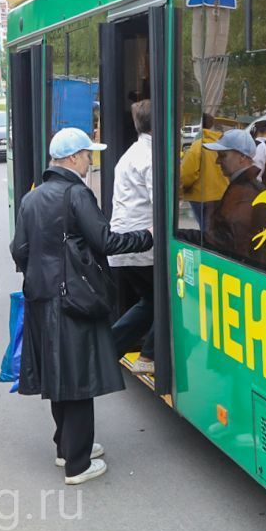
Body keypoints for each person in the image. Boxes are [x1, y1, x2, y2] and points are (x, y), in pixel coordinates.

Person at [10, 128, 153, 485]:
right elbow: (105, 240)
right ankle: (78, 464)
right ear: (73, 158)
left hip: (41, 298)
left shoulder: (32, 197)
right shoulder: (76, 193)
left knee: (59, 377)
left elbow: (19, 251)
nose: (91, 161)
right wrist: (149, 235)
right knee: (78, 380)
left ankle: (65, 447)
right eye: (89, 155)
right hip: (74, 300)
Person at [109, 101, 156, 375]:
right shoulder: (149, 158)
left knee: (150, 301)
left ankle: (107, 351)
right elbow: (159, 201)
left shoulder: (134, 152)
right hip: (142, 244)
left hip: (126, 242)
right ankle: (147, 357)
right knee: (167, 298)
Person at [203, 129, 266, 267]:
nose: (217, 161)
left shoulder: (245, 191)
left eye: (223, 155)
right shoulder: (243, 187)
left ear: (242, 157)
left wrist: (189, 237)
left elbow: (231, 240)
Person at [179, 113, 228, 230]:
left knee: (206, 234)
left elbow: (186, 174)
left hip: (202, 197)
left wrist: (180, 190)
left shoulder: (198, 146)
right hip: (224, 194)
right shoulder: (225, 145)